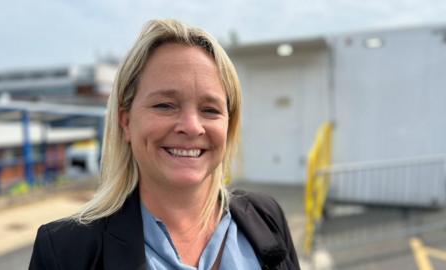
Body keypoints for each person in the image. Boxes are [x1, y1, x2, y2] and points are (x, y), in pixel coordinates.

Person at [29, 19, 300, 270]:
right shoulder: (65, 252)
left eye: (210, 109)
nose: (192, 126)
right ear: (126, 122)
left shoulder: (266, 218)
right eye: (165, 105)